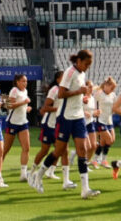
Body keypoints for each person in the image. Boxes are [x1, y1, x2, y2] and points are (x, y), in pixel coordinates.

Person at [28, 50, 100, 199]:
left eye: (89, 65)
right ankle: (38, 175)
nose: (87, 67)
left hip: (78, 116)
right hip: (65, 117)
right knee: (58, 151)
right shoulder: (69, 72)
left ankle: (85, 189)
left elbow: (75, 94)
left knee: (83, 149)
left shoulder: (81, 73)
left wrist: (82, 98)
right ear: (79, 61)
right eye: (86, 64)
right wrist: (79, 91)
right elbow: (61, 94)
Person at [32, 70, 73, 188]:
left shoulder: (67, 91)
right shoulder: (54, 90)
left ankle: (65, 180)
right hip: (49, 124)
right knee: (44, 151)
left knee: (64, 151)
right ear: (58, 79)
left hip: (60, 124)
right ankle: (32, 171)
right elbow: (45, 108)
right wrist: (59, 109)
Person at [1, 73, 32, 182]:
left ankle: (23, 174)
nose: (25, 83)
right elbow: (9, 105)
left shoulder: (25, 91)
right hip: (13, 122)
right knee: (6, 149)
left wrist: (26, 107)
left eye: (26, 81)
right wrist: (24, 102)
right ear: (17, 82)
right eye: (23, 81)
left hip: (23, 122)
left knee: (26, 148)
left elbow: (21, 105)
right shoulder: (14, 90)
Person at [93, 77, 118, 167]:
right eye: (112, 88)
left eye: (114, 88)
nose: (113, 90)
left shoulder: (113, 95)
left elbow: (115, 106)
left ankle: (99, 160)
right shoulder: (99, 93)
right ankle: (99, 159)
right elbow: (93, 105)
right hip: (100, 120)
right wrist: (95, 112)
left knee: (109, 141)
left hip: (109, 120)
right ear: (106, 86)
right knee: (109, 140)